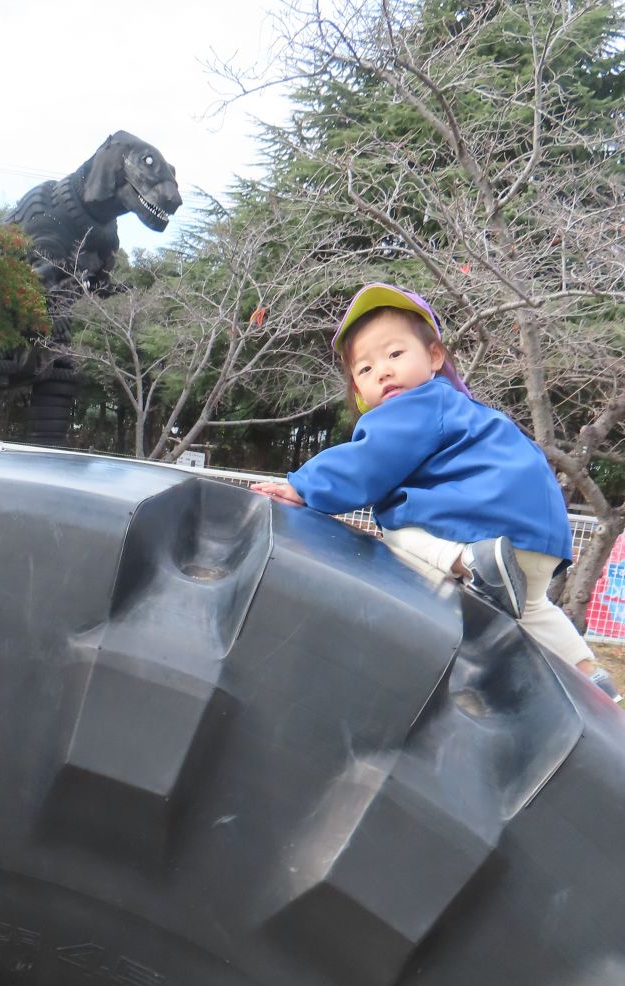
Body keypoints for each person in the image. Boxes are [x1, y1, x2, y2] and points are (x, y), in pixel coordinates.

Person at [251, 283, 620, 702]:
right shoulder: (464, 411)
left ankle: (471, 565)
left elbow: (368, 462)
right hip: (537, 536)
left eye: (394, 354)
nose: (383, 372)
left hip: (491, 529)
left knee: (393, 525)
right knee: (533, 606)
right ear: (357, 389)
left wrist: (304, 487)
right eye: (365, 369)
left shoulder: (418, 404)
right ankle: (592, 678)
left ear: (434, 357)